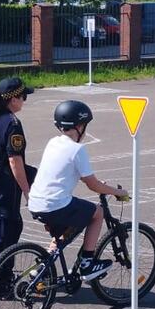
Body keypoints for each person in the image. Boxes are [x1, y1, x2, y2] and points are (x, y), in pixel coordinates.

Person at [28, 100, 130, 281]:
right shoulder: (77, 149)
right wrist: (116, 192)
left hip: (36, 202)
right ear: (79, 126)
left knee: (66, 229)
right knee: (97, 213)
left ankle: (42, 269)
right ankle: (87, 263)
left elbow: (76, 175)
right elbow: (92, 185)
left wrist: (99, 184)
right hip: (54, 204)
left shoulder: (53, 142)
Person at [0, 76, 37, 280]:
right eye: (23, 97)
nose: (24, 101)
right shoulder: (12, 123)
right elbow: (15, 161)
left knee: (12, 224)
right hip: (3, 182)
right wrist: (28, 191)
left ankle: (3, 276)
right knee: (4, 231)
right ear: (13, 99)